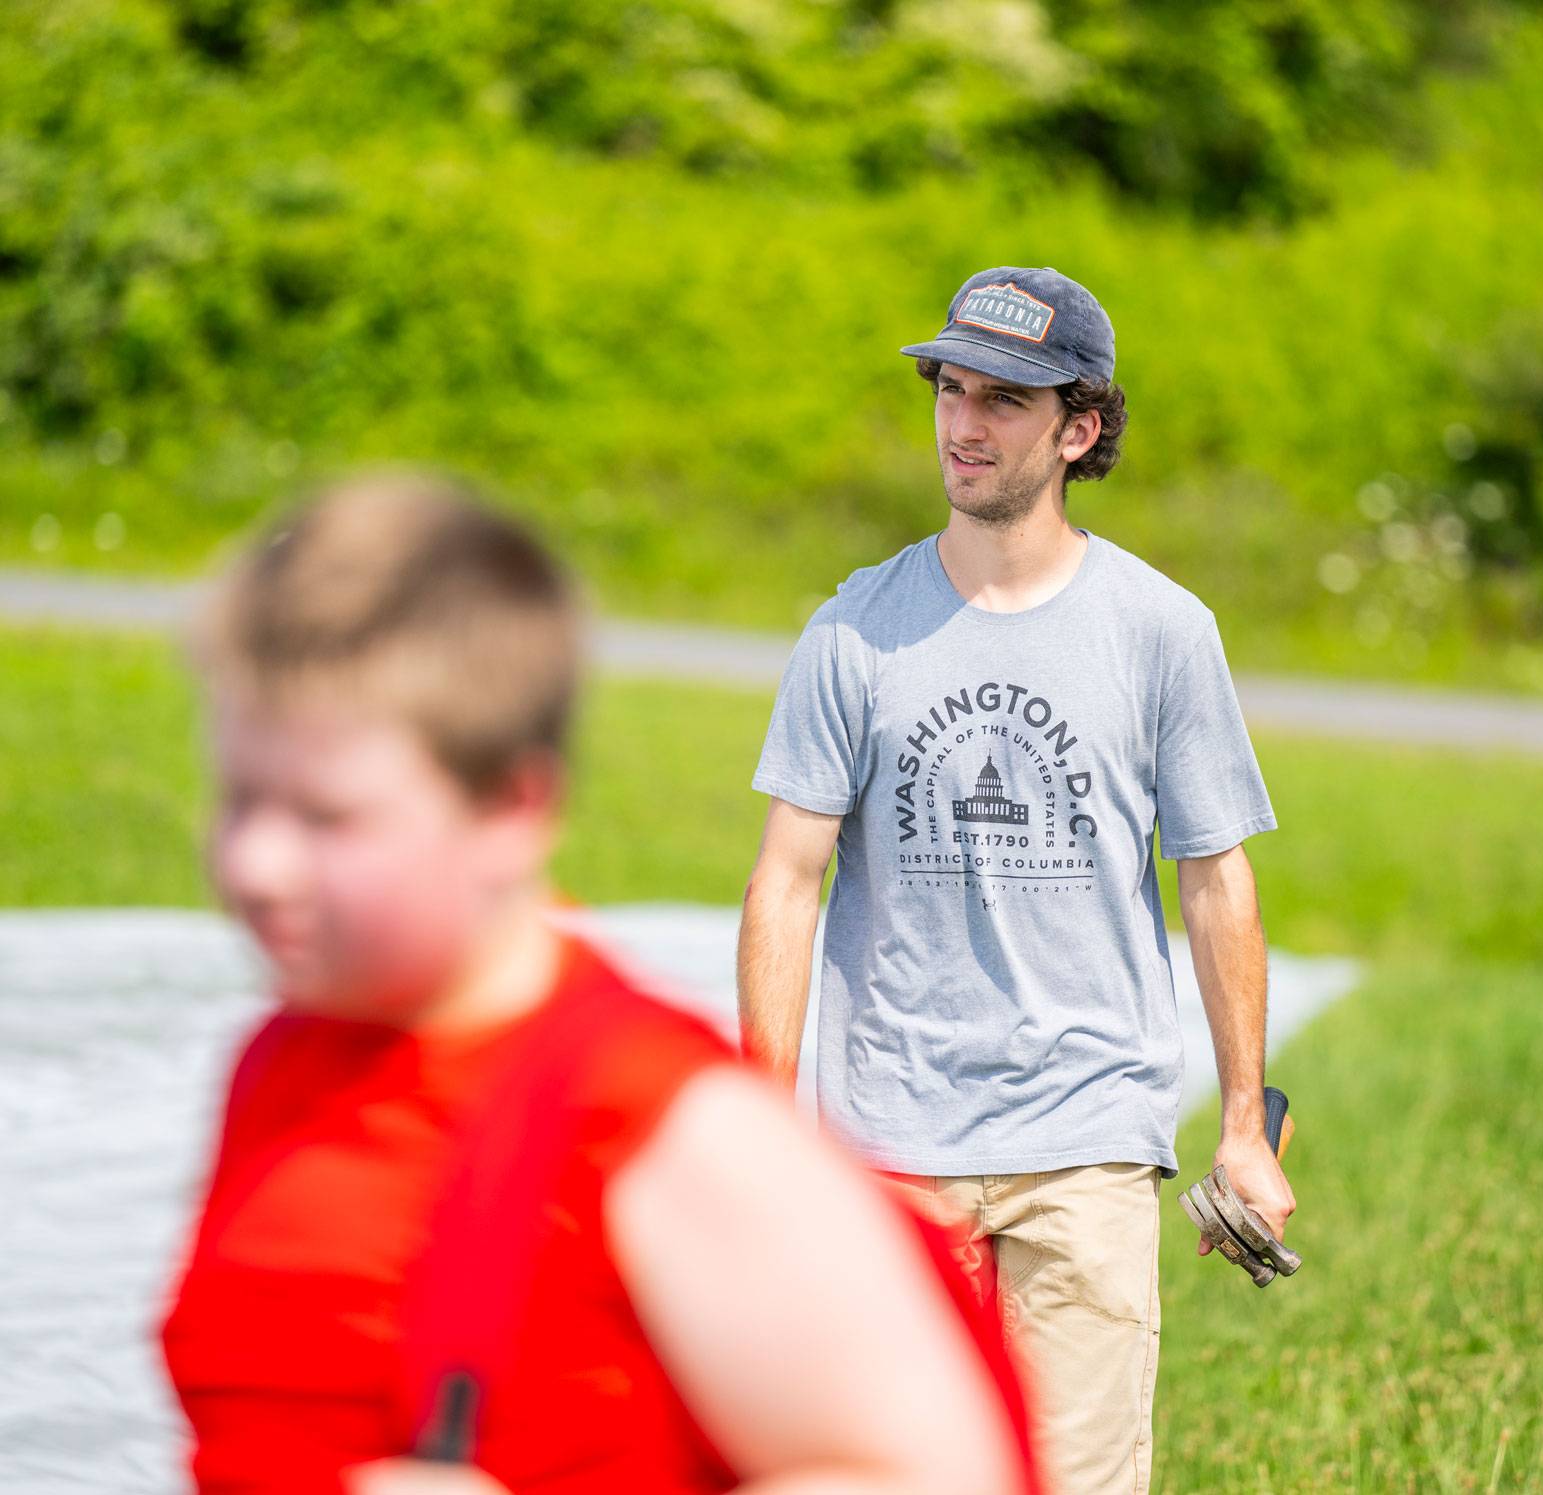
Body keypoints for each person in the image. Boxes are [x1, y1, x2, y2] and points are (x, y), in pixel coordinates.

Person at [160, 473, 1040, 1495]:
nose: (257, 864)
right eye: (241, 796)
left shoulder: (668, 1128)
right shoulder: (283, 1059)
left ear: (513, 808)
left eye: (325, 817)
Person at [737, 267, 1292, 1494]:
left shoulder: (1159, 631)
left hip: (1084, 1143)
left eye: (1000, 399)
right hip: (888, 1143)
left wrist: (1243, 1127)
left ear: (1078, 428)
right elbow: (785, 879)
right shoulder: (853, 628)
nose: (960, 423)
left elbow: (1214, 880)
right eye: (948, 388)